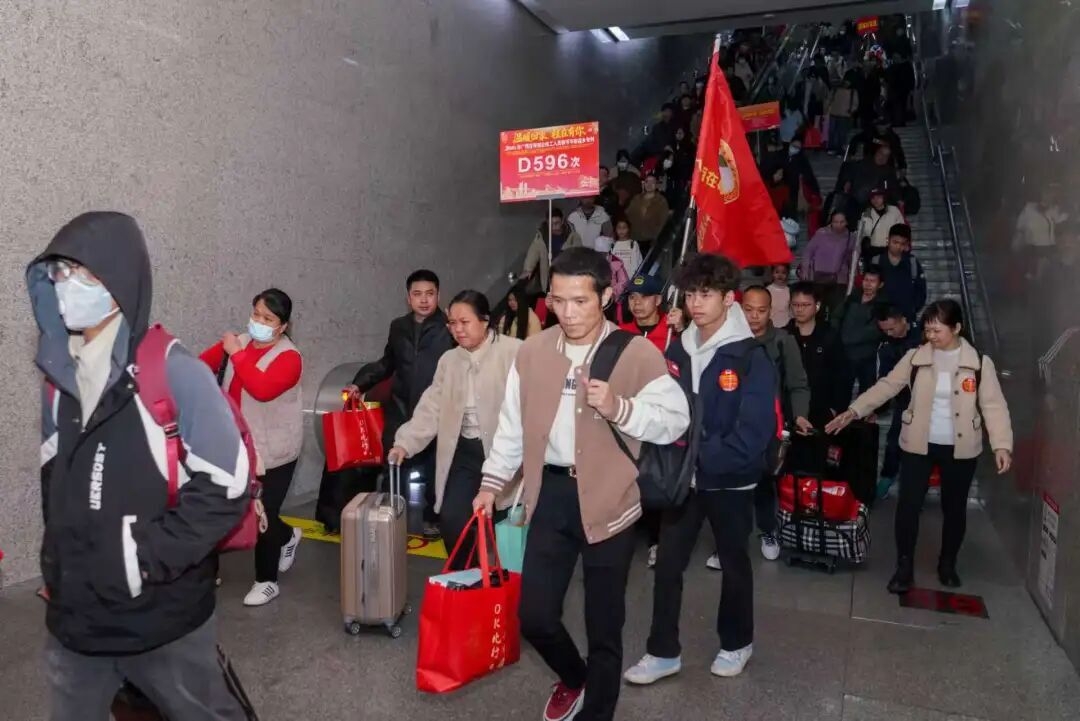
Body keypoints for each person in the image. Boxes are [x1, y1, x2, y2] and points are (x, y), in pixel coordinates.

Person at [30, 212, 250, 720]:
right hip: (76, 621)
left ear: (119, 282)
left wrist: (142, 559)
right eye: (59, 272)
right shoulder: (58, 379)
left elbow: (227, 486)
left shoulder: (174, 372)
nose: (66, 285)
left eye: (83, 274)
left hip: (162, 617)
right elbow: (55, 484)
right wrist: (57, 563)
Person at [474, 247, 689, 721]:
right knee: (535, 616)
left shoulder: (636, 352)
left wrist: (620, 408)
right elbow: (512, 426)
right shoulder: (533, 352)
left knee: (604, 625)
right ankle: (574, 679)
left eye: (580, 301)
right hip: (550, 495)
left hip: (611, 500)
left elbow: (676, 420)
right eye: (558, 300)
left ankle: (598, 711)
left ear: (606, 297)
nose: (567, 313)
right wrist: (492, 483)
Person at [623, 253, 777, 687]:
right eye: (691, 294)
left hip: (730, 480)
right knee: (667, 565)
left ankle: (737, 642)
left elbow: (755, 431)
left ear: (728, 299)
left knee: (733, 563)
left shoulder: (750, 356)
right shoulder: (679, 347)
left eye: (706, 294)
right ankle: (662, 651)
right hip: (683, 481)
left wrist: (702, 454)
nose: (696, 303)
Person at [827, 300, 1013, 593]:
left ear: (956, 328)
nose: (931, 336)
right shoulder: (915, 357)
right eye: (927, 330)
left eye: (937, 330)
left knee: (954, 509)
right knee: (908, 507)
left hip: (961, 448)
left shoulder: (978, 362)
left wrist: (1002, 445)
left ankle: (947, 564)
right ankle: (904, 567)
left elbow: (993, 405)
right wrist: (854, 411)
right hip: (918, 445)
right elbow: (887, 386)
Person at [388, 291, 521, 570]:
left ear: (485, 321)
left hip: (505, 453)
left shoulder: (514, 352)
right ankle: (468, 577)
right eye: (452, 323)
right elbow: (432, 406)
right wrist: (405, 442)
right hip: (466, 452)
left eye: (465, 322)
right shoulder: (449, 360)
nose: (458, 329)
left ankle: (500, 585)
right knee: (452, 520)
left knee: (501, 525)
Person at [200, 289, 303, 607]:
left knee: (264, 514)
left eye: (268, 318)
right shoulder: (239, 343)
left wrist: (236, 353)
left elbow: (261, 388)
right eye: (256, 313)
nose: (259, 321)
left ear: (283, 326)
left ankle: (267, 581)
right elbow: (199, 366)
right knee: (217, 506)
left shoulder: (290, 357)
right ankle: (208, 574)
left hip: (274, 451)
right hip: (234, 444)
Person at [345, 269, 455, 538]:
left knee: (435, 467)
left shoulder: (450, 327)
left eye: (430, 294)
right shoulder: (398, 327)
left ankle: (432, 516)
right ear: (408, 298)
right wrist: (360, 384)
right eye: (417, 294)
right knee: (394, 464)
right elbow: (387, 363)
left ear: (439, 295)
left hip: (436, 410)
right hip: (401, 406)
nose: (424, 300)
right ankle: (392, 515)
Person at [738, 286, 812, 563]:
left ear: (771, 311)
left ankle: (769, 531)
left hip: (769, 426)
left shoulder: (783, 341)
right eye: (749, 309)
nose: (754, 316)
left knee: (764, 484)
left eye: (761, 310)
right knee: (730, 488)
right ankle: (728, 543)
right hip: (733, 426)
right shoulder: (729, 339)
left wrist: (801, 414)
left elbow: (798, 383)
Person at [619, 271, 672, 569]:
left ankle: (656, 541)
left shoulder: (673, 332)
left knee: (653, 481)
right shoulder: (621, 333)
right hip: (626, 417)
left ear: (658, 300)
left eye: (644, 297)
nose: (637, 304)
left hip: (658, 419)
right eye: (633, 298)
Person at [786, 282, 850, 427]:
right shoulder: (783, 336)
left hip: (822, 412)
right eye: (795, 305)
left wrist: (835, 409)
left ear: (817, 306)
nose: (799, 309)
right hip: (790, 413)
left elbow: (842, 375)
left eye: (805, 305)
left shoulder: (830, 336)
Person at [874, 305, 921, 497]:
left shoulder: (924, 336)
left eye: (892, 328)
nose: (889, 333)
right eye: (884, 330)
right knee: (894, 441)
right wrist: (876, 408)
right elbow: (884, 381)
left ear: (903, 320)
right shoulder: (886, 347)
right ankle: (887, 479)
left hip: (929, 400)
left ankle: (917, 491)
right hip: (904, 401)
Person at [832, 265, 888, 396]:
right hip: (845, 356)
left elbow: (875, 331)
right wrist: (837, 336)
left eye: (872, 281)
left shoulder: (882, 305)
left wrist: (847, 338)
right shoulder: (852, 298)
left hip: (866, 357)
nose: (868, 284)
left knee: (866, 395)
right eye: (866, 280)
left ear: (880, 285)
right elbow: (836, 316)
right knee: (840, 394)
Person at [801, 210, 856, 317]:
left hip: (839, 279)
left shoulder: (851, 237)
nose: (838, 225)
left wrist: (852, 279)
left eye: (842, 222)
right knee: (818, 311)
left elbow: (852, 259)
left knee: (836, 312)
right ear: (831, 222)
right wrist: (805, 269)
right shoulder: (821, 233)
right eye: (836, 222)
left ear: (846, 222)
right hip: (819, 278)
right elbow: (808, 251)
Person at [868, 224, 926, 323]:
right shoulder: (876, 261)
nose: (898, 247)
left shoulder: (912, 262)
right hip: (880, 318)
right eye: (895, 242)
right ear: (888, 240)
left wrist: (912, 309)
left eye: (902, 244)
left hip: (905, 319)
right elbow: (868, 287)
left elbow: (921, 290)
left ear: (907, 244)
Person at [1013, 185, 1069, 281]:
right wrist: (1018, 240)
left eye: (1052, 193)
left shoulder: (1055, 210)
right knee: (1033, 276)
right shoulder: (1029, 209)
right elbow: (1020, 228)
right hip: (1033, 250)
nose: (1049, 195)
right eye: (1047, 192)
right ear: (1041, 193)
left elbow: (1060, 221)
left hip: (1049, 250)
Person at [524, 208, 584, 293]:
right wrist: (528, 269)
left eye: (556, 223)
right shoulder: (542, 236)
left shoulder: (573, 236)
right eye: (550, 224)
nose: (554, 227)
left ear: (562, 221)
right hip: (548, 275)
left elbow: (579, 256)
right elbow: (533, 252)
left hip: (566, 276)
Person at [625, 174, 671, 256]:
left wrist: (657, 239)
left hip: (651, 241)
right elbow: (628, 215)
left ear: (656, 184)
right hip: (635, 238)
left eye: (652, 182)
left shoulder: (661, 201)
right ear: (643, 183)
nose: (649, 184)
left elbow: (663, 222)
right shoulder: (636, 198)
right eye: (647, 182)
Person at [856, 189, 905, 262]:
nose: (875, 200)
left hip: (890, 250)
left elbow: (902, 230)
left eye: (878, 197)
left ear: (883, 197)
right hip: (872, 251)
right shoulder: (866, 213)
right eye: (873, 198)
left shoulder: (894, 211)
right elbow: (862, 233)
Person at [826, 73, 859, 155]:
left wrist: (851, 111)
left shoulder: (853, 91)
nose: (846, 83)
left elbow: (855, 103)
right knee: (832, 132)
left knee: (841, 133)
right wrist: (827, 109)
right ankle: (832, 147)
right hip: (834, 113)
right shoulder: (836, 89)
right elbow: (829, 99)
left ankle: (839, 149)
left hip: (844, 115)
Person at [767, 263, 793, 328]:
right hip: (770, 326)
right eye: (777, 272)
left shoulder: (790, 291)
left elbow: (792, 311)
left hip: (787, 326)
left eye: (783, 272)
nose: (780, 275)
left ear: (787, 274)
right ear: (772, 273)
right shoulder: (767, 291)